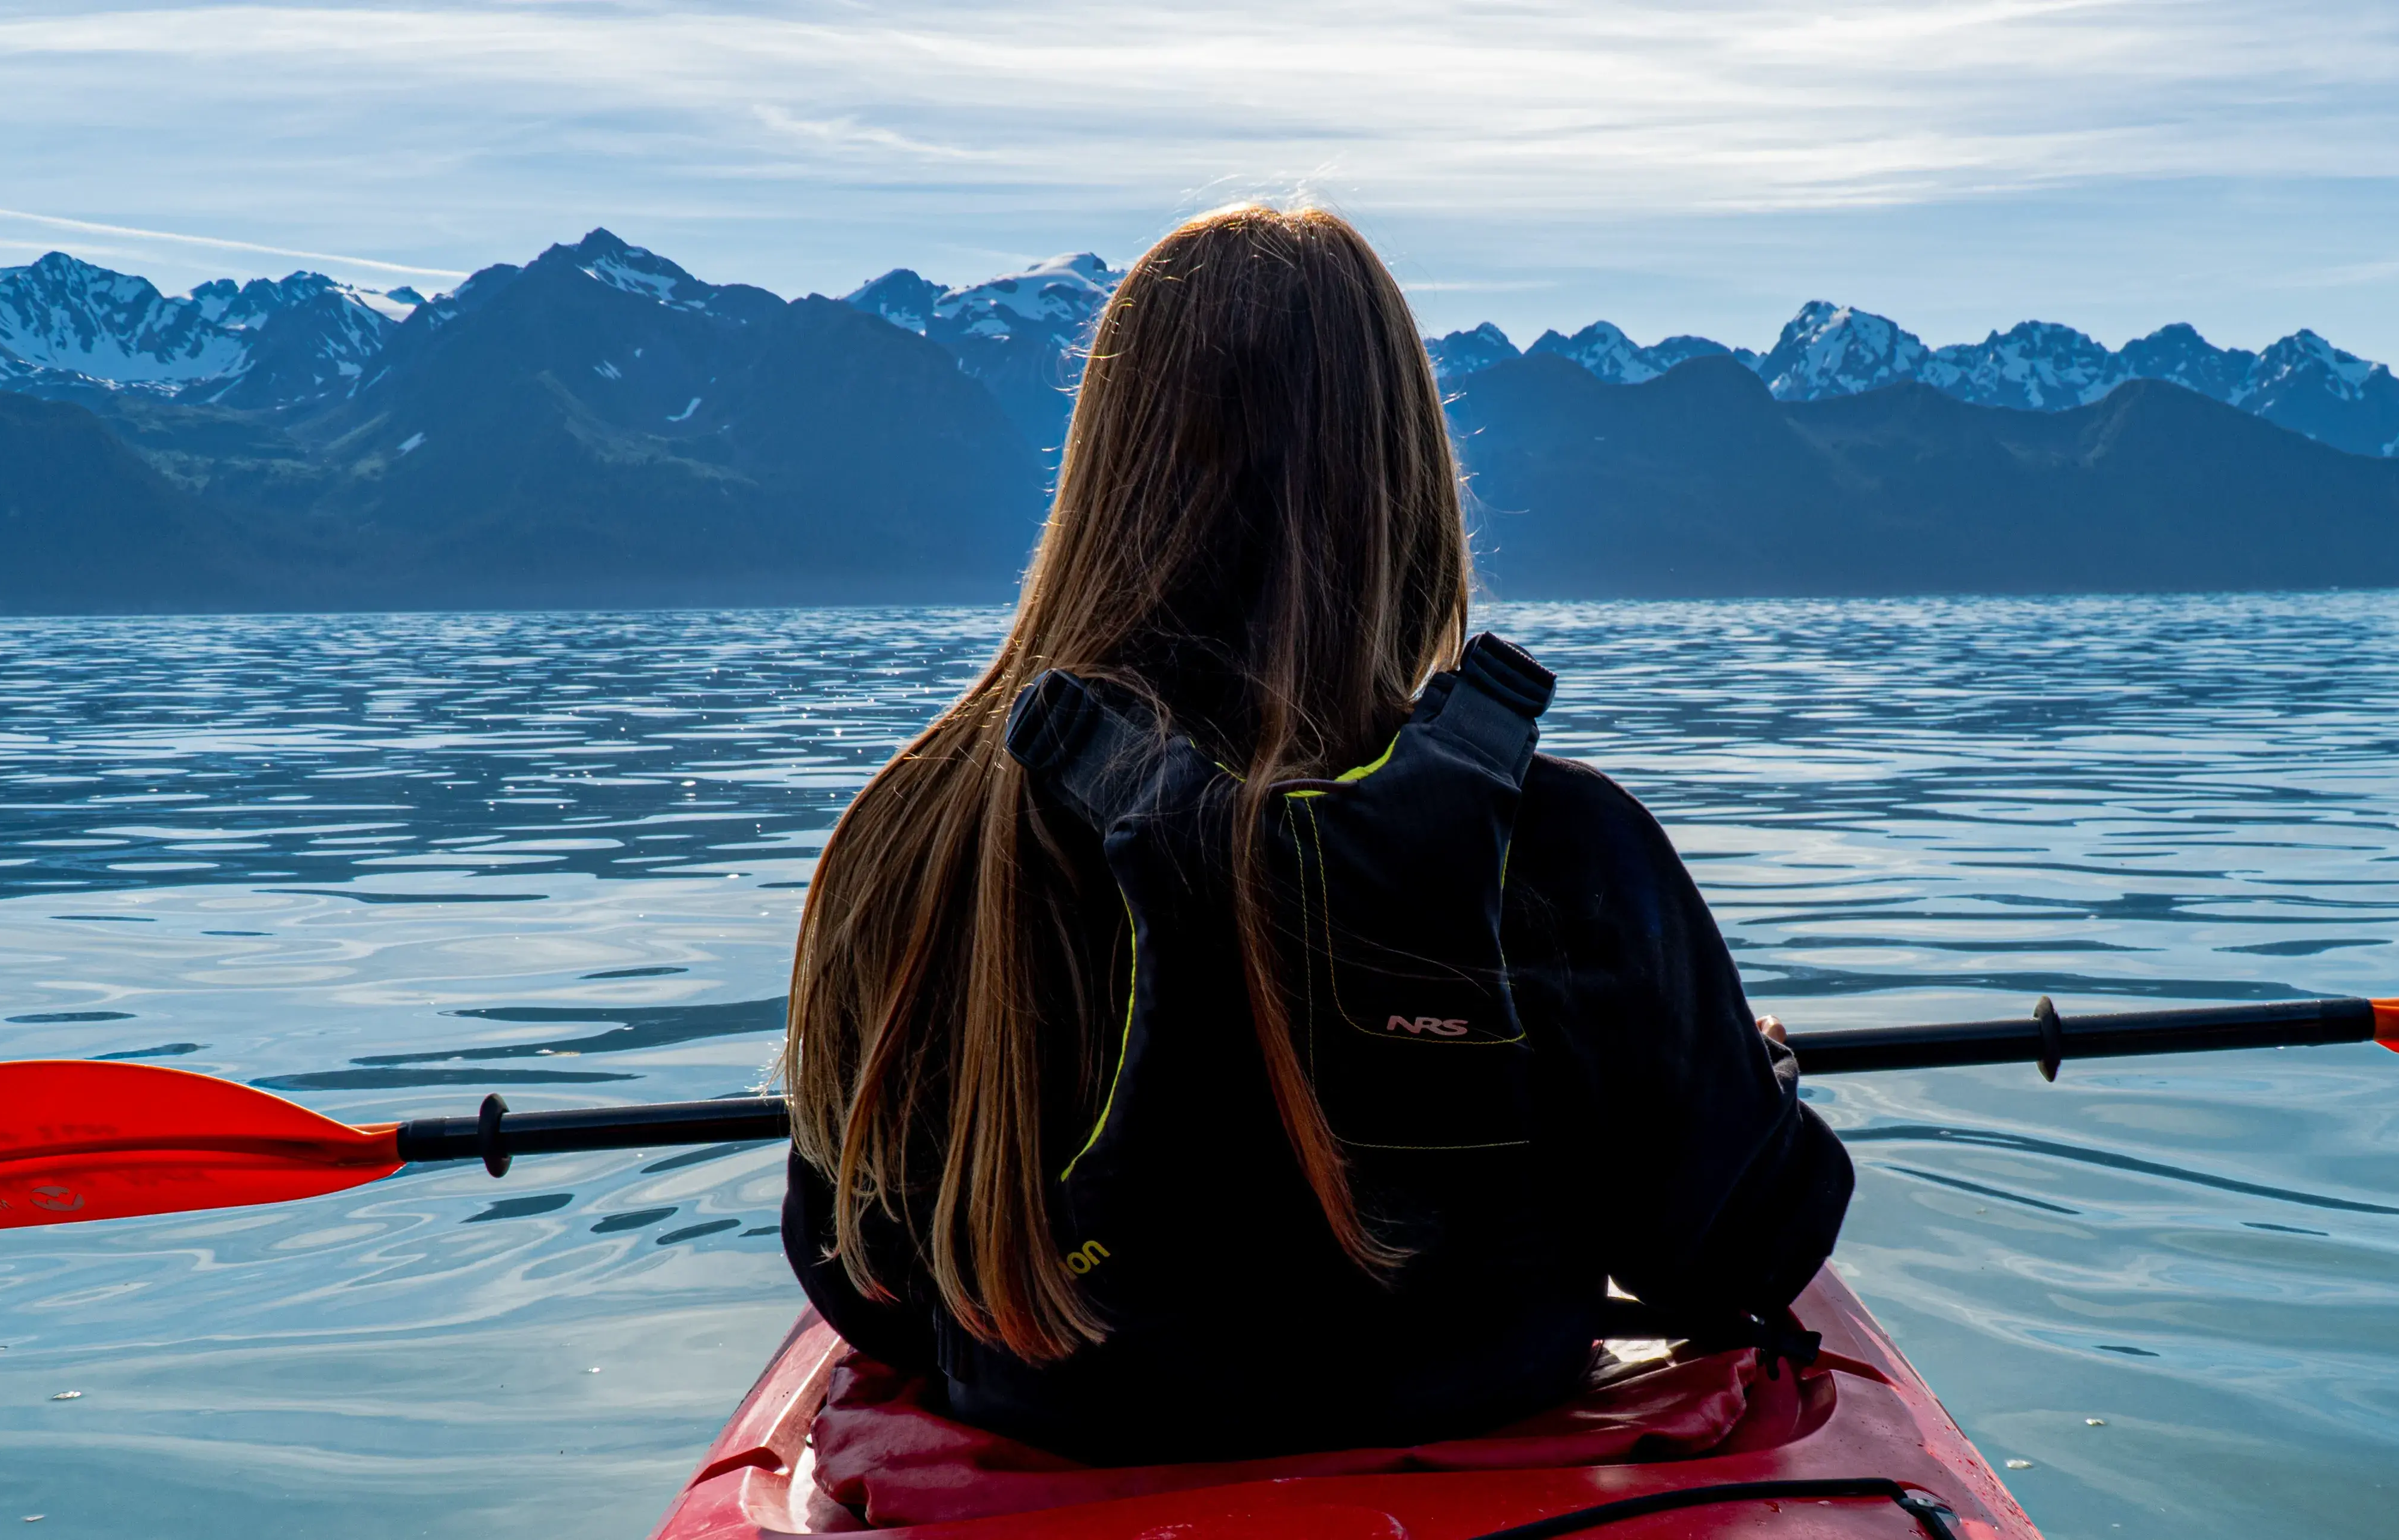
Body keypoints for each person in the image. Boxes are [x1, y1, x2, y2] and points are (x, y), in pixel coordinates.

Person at [779, 202, 1851, 1471]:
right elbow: (1739, 1253)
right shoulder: (1570, 851)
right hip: (1491, 1457)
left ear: (1101, 476)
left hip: (1068, 1454)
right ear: (1407, 482)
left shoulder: (915, 840)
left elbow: (865, 1281)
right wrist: (1754, 1077)